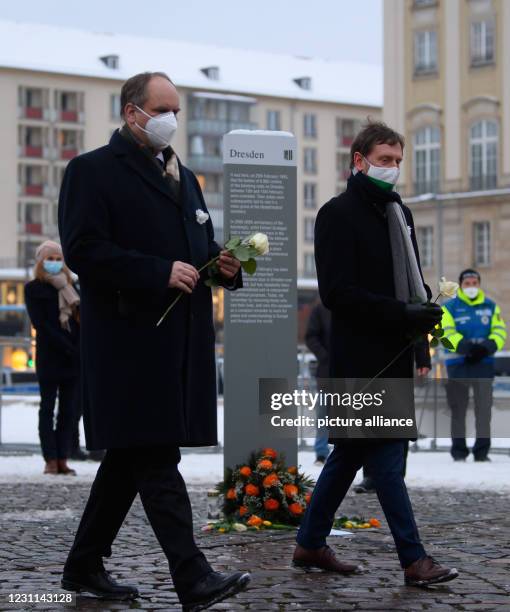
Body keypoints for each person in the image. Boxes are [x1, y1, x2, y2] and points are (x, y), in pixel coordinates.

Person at [58, 72, 250, 610]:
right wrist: (157, 271)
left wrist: (223, 266)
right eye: (161, 109)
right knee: (155, 457)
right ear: (131, 112)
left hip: (176, 344)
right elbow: (83, 250)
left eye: (176, 111)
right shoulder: (91, 171)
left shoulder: (184, 178)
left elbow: (194, 245)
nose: (171, 120)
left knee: (129, 459)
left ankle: (82, 565)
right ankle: (193, 577)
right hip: (125, 345)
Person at [292, 121, 459, 587]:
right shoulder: (336, 214)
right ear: (359, 160)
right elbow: (337, 293)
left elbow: (414, 284)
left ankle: (309, 542)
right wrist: (402, 312)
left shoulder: (399, 213)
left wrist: (421, 332)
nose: (393, 170)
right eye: (385, 160)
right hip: (359, 360)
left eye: (398, 162)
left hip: (395, 355)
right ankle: (413, 559)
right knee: (386, 462)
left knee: (346, 456)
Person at [24, 240, 80, 476]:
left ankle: (63, 457)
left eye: (59, 259)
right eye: (50, 258)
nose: (55, 263)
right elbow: (41, 325)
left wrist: (77, 349)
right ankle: (50, 459)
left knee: (69, 411)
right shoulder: (33, 288)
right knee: (47, 408)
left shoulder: (72, 287)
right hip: (50, 356)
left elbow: (80, 320)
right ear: (40, 261)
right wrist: (68, 346)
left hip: (73, 358)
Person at [442, 268, 507, 462]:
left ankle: (481, 452)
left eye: (474, 283)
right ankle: (459, 451)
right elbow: (446, 332)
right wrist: (467, 348)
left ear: (479, 284)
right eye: (467, 284)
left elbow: (499, 331)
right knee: (458, 409)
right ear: (461, 285)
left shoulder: (490, 306)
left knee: (484, 409)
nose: (471, 287)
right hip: (458, 364)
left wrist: (487, 347)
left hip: (484, 363)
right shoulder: (449, 307)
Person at [354, 338, 431, 493]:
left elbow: (419, 320)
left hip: (399, 360)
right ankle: (371, 474)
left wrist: (422, 357)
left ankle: (396, 475)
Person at [305, 299, 331, 464]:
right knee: (324, 414)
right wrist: (325, 356)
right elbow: (311, 337)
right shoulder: (320, 309)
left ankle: (345, 453)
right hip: (327, 372)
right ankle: (321, 451)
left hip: (348, 371)